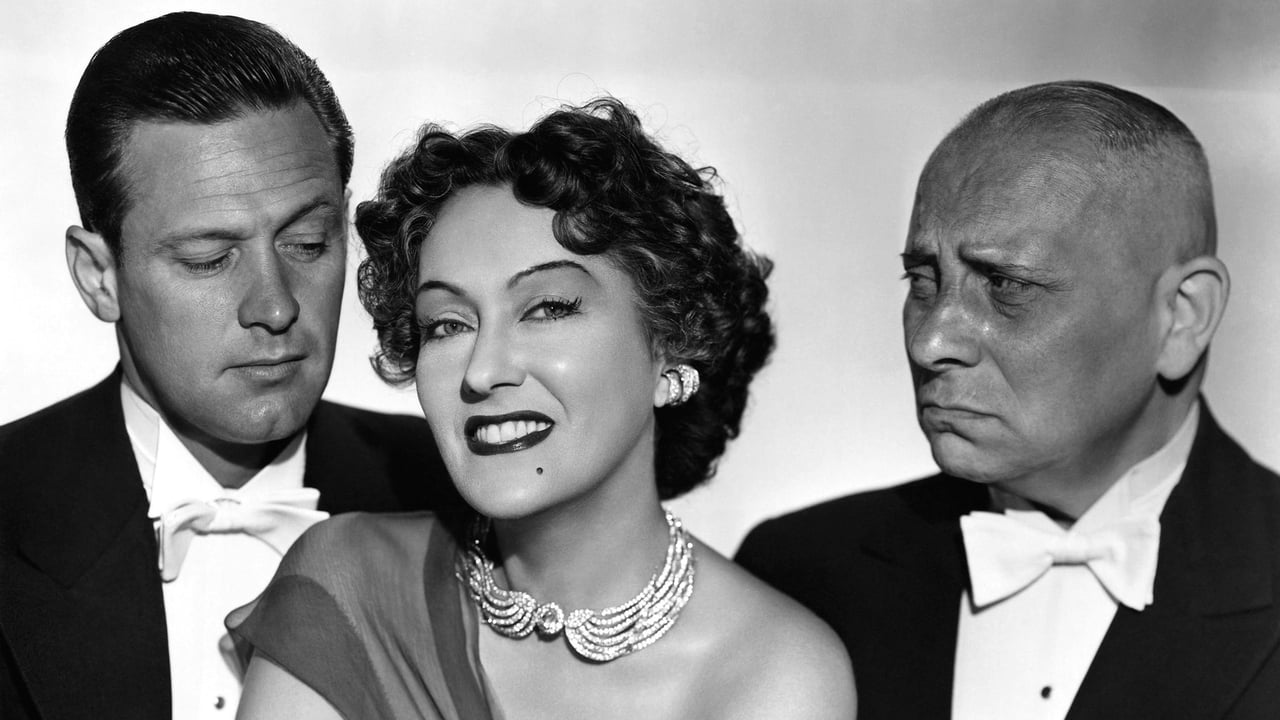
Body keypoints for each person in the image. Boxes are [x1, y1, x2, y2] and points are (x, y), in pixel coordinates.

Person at [230, 98, 856, 719]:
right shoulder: (347, 584)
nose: (482, 371)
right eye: (447, 324)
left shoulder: (775, 671)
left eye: (548, 309)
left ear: (670, 344)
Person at [736, 80, 1280, 720]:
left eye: (1006, 284)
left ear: (1183, 316)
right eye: (922, 280)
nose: (930, 342)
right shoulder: (800, 575)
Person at [0, 13, 455, 720]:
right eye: (209, 259)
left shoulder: (462, 502)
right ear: (98, 276)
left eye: (308, 242)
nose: (275, 307)